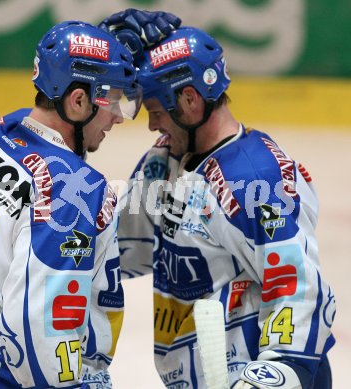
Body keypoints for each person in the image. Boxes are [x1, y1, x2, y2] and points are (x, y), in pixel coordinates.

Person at [106, 19, 336, 389]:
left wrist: (272, 379)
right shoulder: (164, 162)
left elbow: (298, 290)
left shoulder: (257, 180)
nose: (152, 126)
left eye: (157, 111)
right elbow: (118, 248)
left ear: (190, 100)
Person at [0, 20, 143, 388]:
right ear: (78, 101)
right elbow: (39, 326)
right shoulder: (75, 188)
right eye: (113, 99)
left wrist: (99, 46)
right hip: (0, 373)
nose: (118, 115)